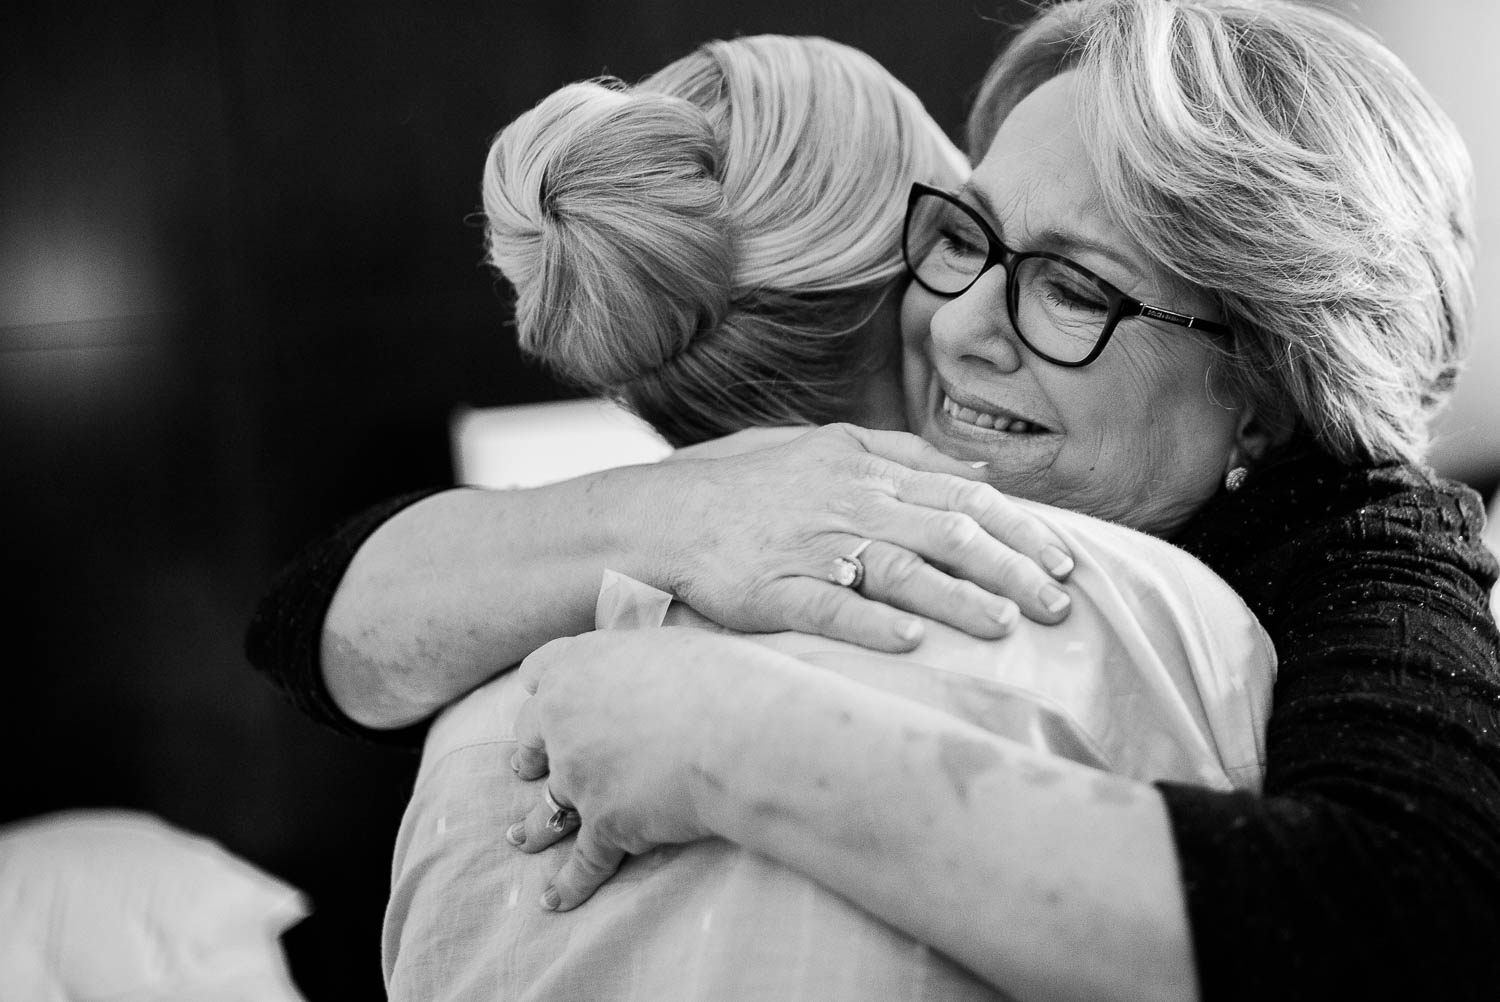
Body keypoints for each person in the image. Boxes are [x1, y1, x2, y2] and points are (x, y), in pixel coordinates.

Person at [245, 1, 1500, 999]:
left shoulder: (1357, 539)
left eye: (1072, 287)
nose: (957, 323)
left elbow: (1421, 927)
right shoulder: (760, 504)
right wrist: (662, 513)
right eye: (970, 235)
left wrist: (728, 744)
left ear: (1270, 385)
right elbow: (311, 623)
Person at [379, 34, 1275, 999]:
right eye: (961, 239)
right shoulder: (1131, 620)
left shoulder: (466, 716)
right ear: (903, 281)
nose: (972, 310)